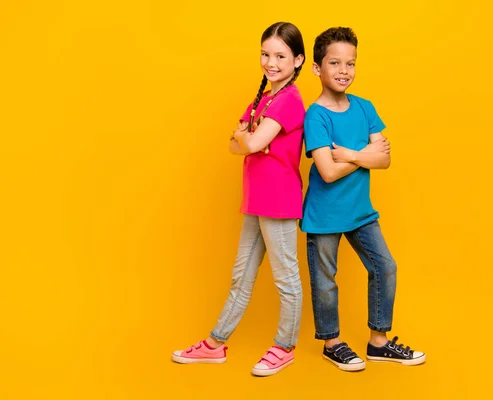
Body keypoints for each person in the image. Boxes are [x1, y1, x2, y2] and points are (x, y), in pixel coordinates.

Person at [172, 21, 306, 377]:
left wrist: (246, 136)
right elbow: (237, 145)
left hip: (278, 200)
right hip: (257, 199)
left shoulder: (291, 99)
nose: (270, 62)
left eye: (280, 55)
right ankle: (215, 344)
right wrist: (246, 138)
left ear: (298, 60)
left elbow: (247, 142)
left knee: (285, 278)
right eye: (265, 54)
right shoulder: (264, 98)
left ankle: (285, 346)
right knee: (241, 275)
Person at [301, 26, 426, 372]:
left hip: (360, 212)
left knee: (384, 266)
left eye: (350, 63)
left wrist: (351, 155)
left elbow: (384, 158)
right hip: (324, 214)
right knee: (326, 280)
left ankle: (379, 343)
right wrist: (364, 153)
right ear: (317, 68)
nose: (344, 71)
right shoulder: (316, 115)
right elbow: (326, 171)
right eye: (335, 63)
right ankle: (332, 342)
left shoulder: (365, 107)